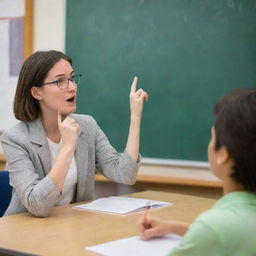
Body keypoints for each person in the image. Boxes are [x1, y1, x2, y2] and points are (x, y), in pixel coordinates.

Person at [1, 50, 148, 217]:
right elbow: (37, 206)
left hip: (73, 225)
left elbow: (126, 174)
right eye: (60, 81)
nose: (72, 87)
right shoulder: (15, 139)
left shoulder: (87, 125)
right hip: (24, 233)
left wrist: (135, 117)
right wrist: (67, 147)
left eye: (71, 78)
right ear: (36, 93)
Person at [137, 88, 256, 255]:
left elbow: (215, 233)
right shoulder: (233, 225)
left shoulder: (214, 226)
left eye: (212, 136)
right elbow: (229, 235)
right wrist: (174, 227)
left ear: (223, 154)